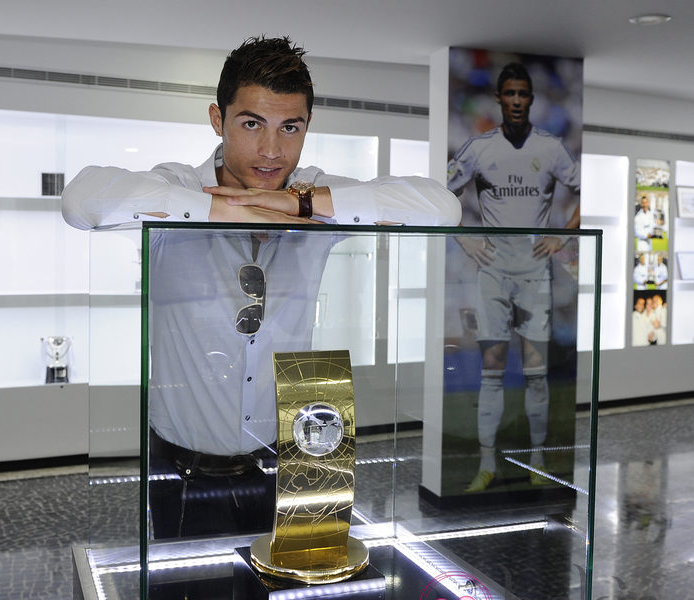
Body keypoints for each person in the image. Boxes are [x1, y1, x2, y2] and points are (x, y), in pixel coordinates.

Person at [62, 36, 460, 538]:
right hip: (180, 465)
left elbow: (442, 208)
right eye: (252, 124)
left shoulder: (312, 190)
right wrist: (219, 208)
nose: (272, 150)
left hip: (296, 460)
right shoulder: (179, 187)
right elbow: (80, 201)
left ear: (306, 127)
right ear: (217, 119)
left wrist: (303, 206)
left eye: (289, 128)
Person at [446, 61, 580, 492]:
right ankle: (486, 465)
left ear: (531, 100)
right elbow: (441, 195)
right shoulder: (479, 148)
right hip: (493, 272)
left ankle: (537, 463)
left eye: (524, 94)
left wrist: (562, 237)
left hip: (536, 274)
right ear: (500, 99)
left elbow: (584, 189)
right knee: (492, 365)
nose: (517, 101)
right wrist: (464, 240)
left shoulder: (552, 148)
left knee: (537, 370)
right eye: (510, 94)